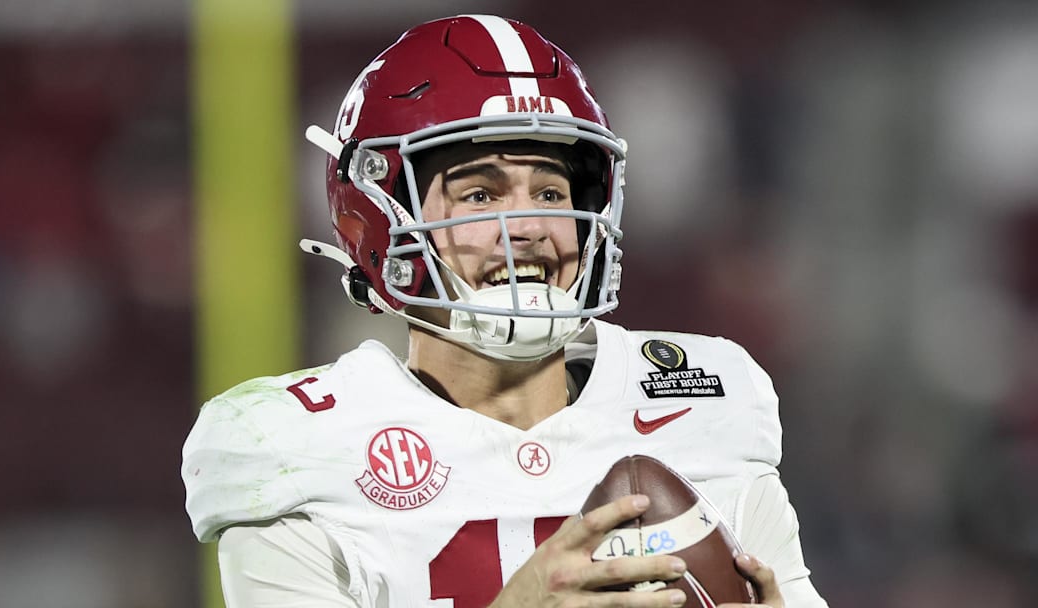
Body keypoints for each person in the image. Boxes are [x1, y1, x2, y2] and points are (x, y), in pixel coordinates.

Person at [183, 14, 829, 608]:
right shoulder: (297, 453)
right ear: (381, 220)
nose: (528, 226)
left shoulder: (703, 403)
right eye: (480, 193)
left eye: (551, 190)